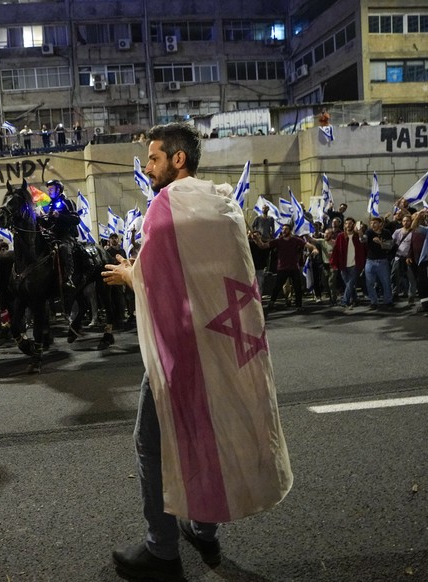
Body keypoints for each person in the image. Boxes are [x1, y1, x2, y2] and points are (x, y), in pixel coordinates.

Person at [102, 123, 292, 581]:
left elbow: (159, 282)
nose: (147, 167)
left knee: (152, 442)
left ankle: (162, 551)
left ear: (177, 159)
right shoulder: (222, 204)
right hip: (224, 347)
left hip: (182, 353)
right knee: (210, 433)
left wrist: (131, 275)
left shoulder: (166, 207)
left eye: (153, 158)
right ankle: (203, 529)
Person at [252, 224, 319, 312]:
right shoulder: (278, 241)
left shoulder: (296, 240)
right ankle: (271, 303)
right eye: (282, 229)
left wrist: (314, 249)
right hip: (282, 268)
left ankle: (299, 305)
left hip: (294, 267)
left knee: (297, 287)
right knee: (277, 287)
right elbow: (263, 246)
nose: (283, 231)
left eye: (286, 229)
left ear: (290, 231)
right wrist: (257, 239)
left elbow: (309, 246)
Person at [39, 179, 80, 290]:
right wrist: (39, 219)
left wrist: (60, 216)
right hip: (53, 236)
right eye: (48, 190)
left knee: (64, 248)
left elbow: (76, 219)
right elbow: (48, 224)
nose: (49, 192)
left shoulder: (67, 202)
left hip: (66, 235)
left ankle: (69, 277)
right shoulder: (50, 205)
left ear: (59, 190)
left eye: (51, 189)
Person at [330, 217, 366, 308]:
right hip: (343, 265)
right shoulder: (340, 236)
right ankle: (355, 299)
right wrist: (334, 262)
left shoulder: (358, 236)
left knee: (350, 283)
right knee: (349, 284)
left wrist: (360, 232)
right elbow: (336, 250)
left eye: (350, 223)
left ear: (354, 225)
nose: (348, 225)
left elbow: (364, 241)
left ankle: (344, 301)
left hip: (355, 264)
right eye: (346, 223)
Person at [362, 216, 394, 309]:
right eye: (371, 223)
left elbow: (390, 246)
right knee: (370, 283)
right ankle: (373, 301)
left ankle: (388, 300)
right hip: (370, 261)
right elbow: (363, 239)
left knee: (386, 282)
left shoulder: (386, 232)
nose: (372, 225)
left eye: (375, 223)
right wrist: (360, 234)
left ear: (380, 224)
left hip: (382, 261)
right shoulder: (369, 232)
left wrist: (380, 242)